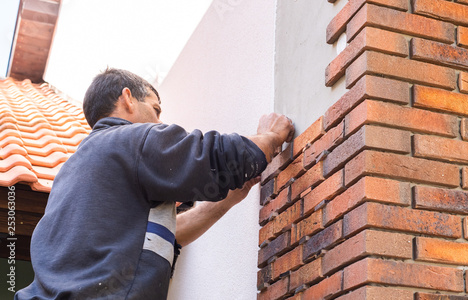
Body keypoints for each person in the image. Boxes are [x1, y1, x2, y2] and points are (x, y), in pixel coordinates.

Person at [15, 68, 294, 300]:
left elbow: (160, 236)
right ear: (128, 99)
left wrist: (227, 200)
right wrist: (269, 136)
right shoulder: (132, 140)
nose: (159, 121)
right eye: (155, 109)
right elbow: (219, 156)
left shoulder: (73, 171)